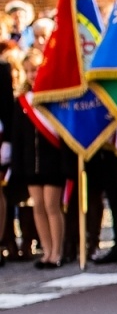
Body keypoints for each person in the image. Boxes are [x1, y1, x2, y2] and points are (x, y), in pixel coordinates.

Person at [14, 49, 64, 267]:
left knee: (52, 206)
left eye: (35, 69)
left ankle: (57, 251)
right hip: (30, 161)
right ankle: (46, 250)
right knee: (38, 207)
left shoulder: (54, 96)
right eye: (28, 71)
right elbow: (18, 135)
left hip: (52, 160)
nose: (32, 74)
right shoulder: (22, 101)